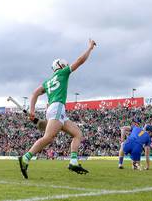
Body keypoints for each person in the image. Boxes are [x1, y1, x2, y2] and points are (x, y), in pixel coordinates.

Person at [18, 39, 97, 179]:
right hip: (58, 107)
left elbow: (35, 93)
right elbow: (80, 60)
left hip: (55, 110)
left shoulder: (48, 82)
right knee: (48, 137)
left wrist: (32, 110)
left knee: (78, 134)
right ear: (60, 66)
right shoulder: (63, 73)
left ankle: (73, 162)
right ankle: (25, 157)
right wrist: (90, 48)